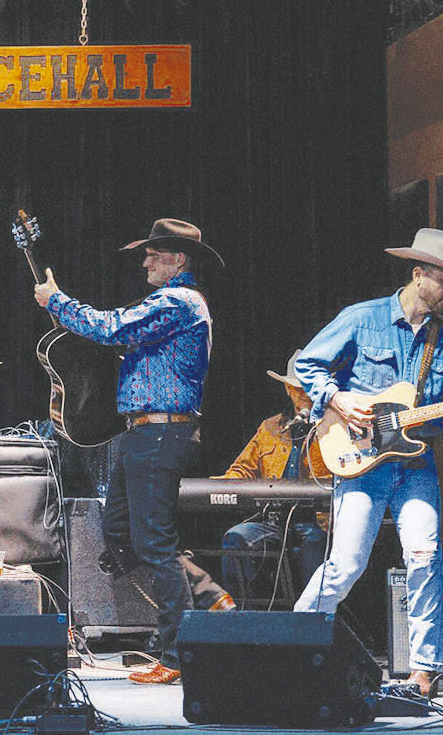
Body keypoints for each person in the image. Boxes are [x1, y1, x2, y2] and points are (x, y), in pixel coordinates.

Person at [34, 218, 221, 685]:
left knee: (152, 541)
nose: (145, 263)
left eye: (154, 256)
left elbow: (111, 326)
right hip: (144, 432)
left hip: (162, 432)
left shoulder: (178, 301)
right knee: (120, 529)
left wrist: (57, 300)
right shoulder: (170, 305)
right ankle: (205, 591)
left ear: (177, 259)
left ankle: (176, 656)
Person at [293, 228, 443, 697]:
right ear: (418, 275)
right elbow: (307, 365)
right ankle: (294, 642)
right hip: (361, 463)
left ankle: (423, 671)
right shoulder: (362, 319)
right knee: (346, 564)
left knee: (425, 557)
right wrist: (338, 398)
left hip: (417, 465)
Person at [218, 350, 330, 600]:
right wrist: (214, 488)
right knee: (237, 537)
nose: (303, 394)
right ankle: (243, 614)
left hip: (319, 523)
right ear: (287, 390)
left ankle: (314, 618)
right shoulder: (270, 427)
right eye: (296, 388)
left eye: (308, 387)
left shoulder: (334, 428)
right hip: (273, 521)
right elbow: (243, 469)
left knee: (315, 545)